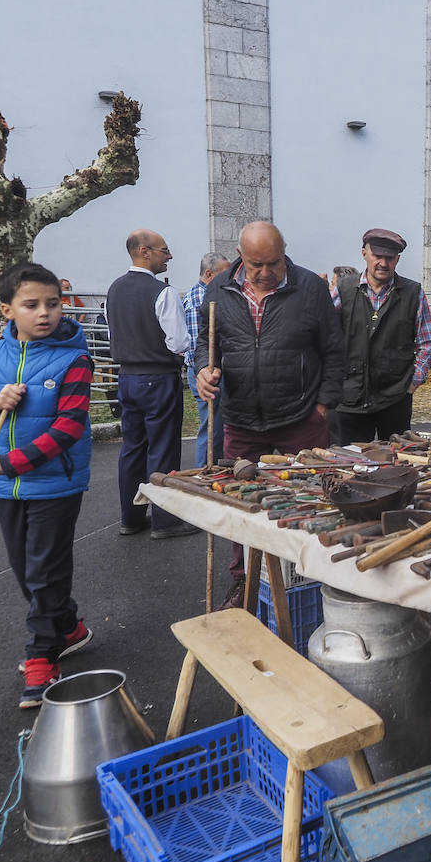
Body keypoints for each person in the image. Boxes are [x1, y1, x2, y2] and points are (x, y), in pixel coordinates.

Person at [0, 263, 95, 708]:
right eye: (31, 305)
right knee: (25, 570)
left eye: (52, 304)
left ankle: (42, 656)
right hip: (5, 488)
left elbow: (68, 429)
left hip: (55, 484)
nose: (44, 313)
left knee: (44, 571)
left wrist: (6, 462)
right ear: (6, 310)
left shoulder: (73, 359)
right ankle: (67, 625)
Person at [195, 221, 343, 610]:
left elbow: (334, 349)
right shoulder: (219, 288)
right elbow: (205, 343)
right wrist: (202, 371)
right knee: (240, 504)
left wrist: (323, 404)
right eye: (255, 263)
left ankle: (314, 576)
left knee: (312, 497)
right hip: (241, 417)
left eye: (273, 263)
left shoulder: (309, 287)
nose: (264, 272)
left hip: (301, 416)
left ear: (284, 252)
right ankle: (242, 581)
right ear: (241, 256)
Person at [107, 230, 197, 539]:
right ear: (145, 252)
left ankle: (130, 517)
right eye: (164, 250)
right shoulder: (162, 292)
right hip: (157, 377)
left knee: (132, 448)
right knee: (162, 448)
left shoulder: (114, 289)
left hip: (127, 376)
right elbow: (178, 342)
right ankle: (165, 519)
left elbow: (112, 334)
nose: (169, 256)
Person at [332, 228, 431, 444]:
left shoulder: (412, 293)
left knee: (396, 462)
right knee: (351, 463)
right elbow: (324, 337)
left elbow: (427, 343)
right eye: (377, 256)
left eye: (389, 258)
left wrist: (412, 383)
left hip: (395, 398)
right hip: (349, 398)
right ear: (364, 253)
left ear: (397, 259)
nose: (383, 263)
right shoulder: (343, 290)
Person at [183, 252, 230, 469]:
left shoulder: (211, 295)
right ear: (210, 273)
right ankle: (205, 471)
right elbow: (198, 346)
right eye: (225, 272)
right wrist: (205, 372)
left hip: (212, 370)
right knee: (211, 427)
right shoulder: (198, 300)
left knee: (218, 426)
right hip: (205, 373)